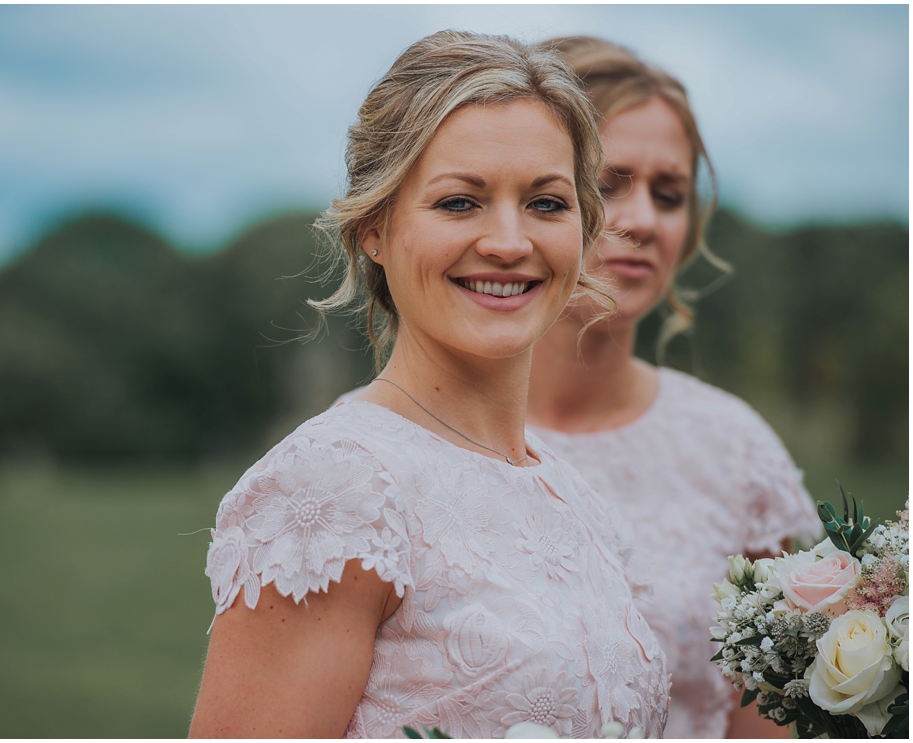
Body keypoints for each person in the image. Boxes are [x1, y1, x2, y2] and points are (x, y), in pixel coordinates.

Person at [189, 31, 669, 739]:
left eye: (545, 203)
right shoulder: (333, 489)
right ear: (374, 229)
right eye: (458, 203)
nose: (509, 241)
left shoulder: (573, 494)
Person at [523, 37, 820, 739]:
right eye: (608, 182)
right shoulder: (395, 452)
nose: (644, 221)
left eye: (670, 194)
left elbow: (775, 718)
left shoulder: (732, 447)